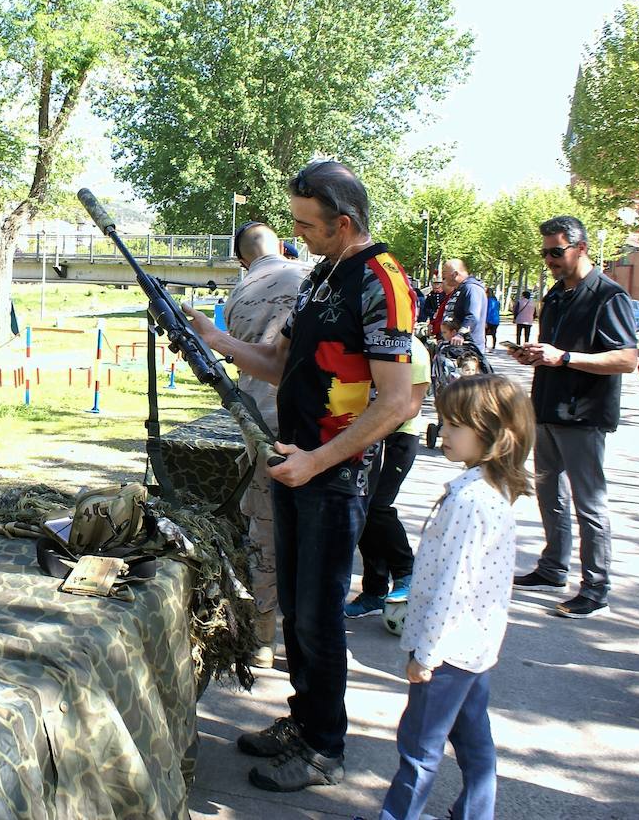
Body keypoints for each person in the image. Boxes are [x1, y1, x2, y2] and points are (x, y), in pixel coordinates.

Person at [183, 159, 417, 793]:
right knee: (296, 611)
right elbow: (279, 364)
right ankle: (304, 720)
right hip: (296, 463)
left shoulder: (381, 280)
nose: (297, 233)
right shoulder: (320, 275)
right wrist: (209, 337)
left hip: (332, 475)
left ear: (343, 223)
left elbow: (400, 401)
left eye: (307, 224)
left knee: (317, 616)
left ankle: (325, 748)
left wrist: (316, 459)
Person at [377, 374, 533, 820]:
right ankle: (475, 812)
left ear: (493, 432)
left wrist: (425, 655)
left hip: (447, 653)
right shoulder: (486, 489)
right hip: (474, 648)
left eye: (453, 426)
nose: (440, 433)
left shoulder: (471, 501)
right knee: (472, 739)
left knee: (419, 748)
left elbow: (452, 586)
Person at [509, 215, 637, 619]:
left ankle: (596, 588)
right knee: (550, 495)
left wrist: (565, 358)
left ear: (580, 247)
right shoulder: (557, 294)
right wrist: (534, 354)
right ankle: (552, 569)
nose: (549, 259)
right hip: (547, 408)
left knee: (589, 504)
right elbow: (555, 351)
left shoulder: (608, 295)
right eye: (544, 252)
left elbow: (627, 358)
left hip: (583, 415)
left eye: (556, 251)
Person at [223, 221, 307, 668]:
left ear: (242, 258)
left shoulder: (238, 294)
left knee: (263, 529)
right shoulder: (312, 279)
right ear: (282, 248)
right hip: (313, 424)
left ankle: (263, 637)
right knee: (311, 531)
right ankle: (305, 641)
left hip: (258, 421)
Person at [344, 334, 430, 619]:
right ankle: (374, 590)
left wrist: (372, 425)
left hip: (398, 439)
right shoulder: (370, 344)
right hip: (366, 437)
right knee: (363, 511)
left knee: (378, 507)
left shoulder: (413, 350)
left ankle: (406, 571)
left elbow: (411, 405)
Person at [440, 259, 487, 356]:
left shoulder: (471, 288)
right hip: (458, 346)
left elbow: (472, 316)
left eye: (444, 273)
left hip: (469, 347)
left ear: (455, 274)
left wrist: (460, 335)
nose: (443, 277)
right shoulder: (460, 289)